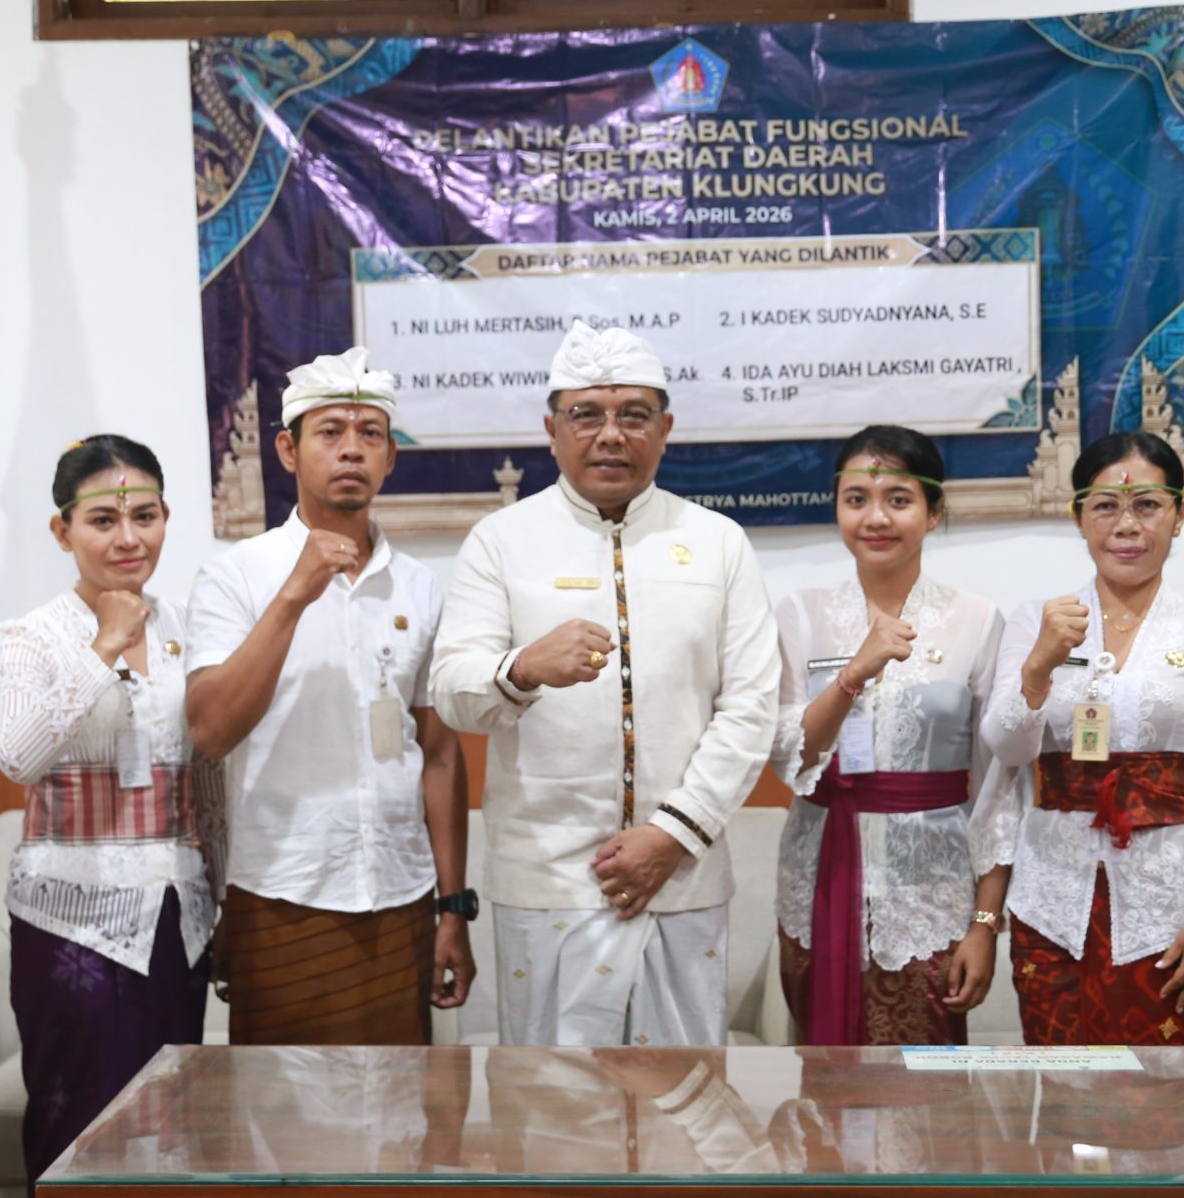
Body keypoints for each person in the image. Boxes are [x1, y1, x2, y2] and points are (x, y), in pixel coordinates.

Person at [431, 322, 779, 1047]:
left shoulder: (717, 543)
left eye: (634, 415)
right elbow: (453, 689)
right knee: (556, 1120)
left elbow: (750, 708)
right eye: (587, 414)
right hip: (547, 882)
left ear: (666, 429)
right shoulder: (501, 541)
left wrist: (669, 834)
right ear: (552, 430)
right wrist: (521, 667)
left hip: (682, 875)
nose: (611, 434)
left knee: (682, 1112)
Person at [0, 434, 212, 1198]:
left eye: (145, 515)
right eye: (104, 518)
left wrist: (228, 901)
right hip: (73, 924)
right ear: (62, 530)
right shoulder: (29, 638)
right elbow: (22, 754)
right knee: (77, 1138)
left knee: (171, 1141)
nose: (128, 536)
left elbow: (211, 781)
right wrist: (103, 646)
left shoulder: (193, 630)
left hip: (178, 917)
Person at [183, 348, 469, 1040]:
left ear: (390, 457)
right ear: (287, 449)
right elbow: (211, 731)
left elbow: (439, 756)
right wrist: (294, 596)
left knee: (402, 1126)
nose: (351, 449)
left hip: (402, 899)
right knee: (281, 1130)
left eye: (370, 433)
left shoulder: (422, 588)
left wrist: (454, 907)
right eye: (330, 432)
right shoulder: (237, 578)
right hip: (283, 895)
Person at [976, 430, 1184, 1046]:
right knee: (1062, 1107)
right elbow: (1006, 748)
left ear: (1180, 516)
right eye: (1106, 506)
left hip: (1172, 913)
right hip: (1051, 904)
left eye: (1148, 505)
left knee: (1162, 1111)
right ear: (1079, 517)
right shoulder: (1038, 620)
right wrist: (1038, 666)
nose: (1126, 524)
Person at [771, 425, 1006, 1045]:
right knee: (822, 1092)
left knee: (926, 1104)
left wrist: (985, 921)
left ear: (934, 512)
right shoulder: (799, 613)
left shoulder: (977, 621)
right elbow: (788, 756)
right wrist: (855, 671)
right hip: (817, 881)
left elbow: (996, 788)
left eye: (898, 500)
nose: (876, 518)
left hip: (934, 896)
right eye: (857, 499)